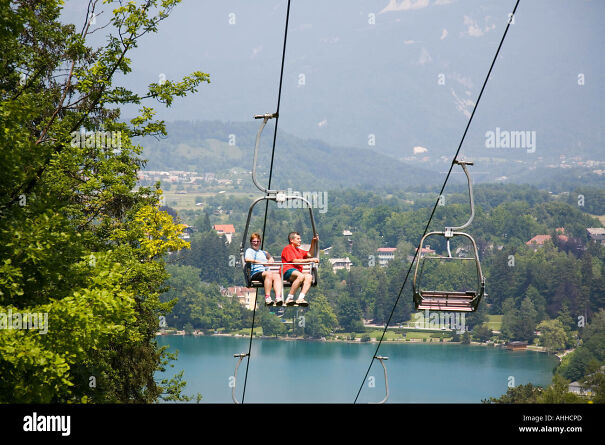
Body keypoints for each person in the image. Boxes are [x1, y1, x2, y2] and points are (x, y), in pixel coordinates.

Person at [280, 232, 319, 306]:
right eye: (298, 239)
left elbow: (310, 254)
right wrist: (310, 260)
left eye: (300, 239)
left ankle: (301, 298)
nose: (300, 240)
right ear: (291, 240)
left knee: (309, 276)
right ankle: (289, 298)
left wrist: (313, 242)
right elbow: (295, 261)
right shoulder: (288, 248)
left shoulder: (299, 250)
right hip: (288, 270)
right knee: (301, 276)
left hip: (297, 272)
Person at [245, 233, 283, 305]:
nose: (256, 243)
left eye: (258, 241)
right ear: (251, 242)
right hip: (255, 273)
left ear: (260, 242)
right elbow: (247, 259)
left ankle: (278, 297)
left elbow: (270, 257)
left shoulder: (263, 252)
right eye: (254, 241)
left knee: (277, 276)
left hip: (264, 273)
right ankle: (267, 297)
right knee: (268, 274)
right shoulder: (249, 250)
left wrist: (271, 260)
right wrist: (260, 262)